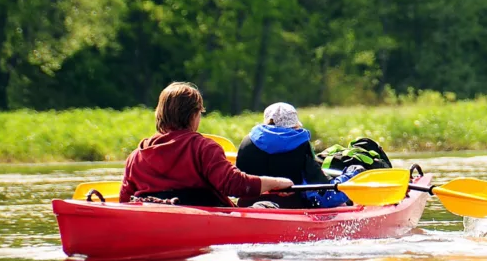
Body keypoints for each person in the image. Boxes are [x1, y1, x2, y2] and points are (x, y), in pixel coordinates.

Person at [119, 82, 293, 206]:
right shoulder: (204, 148)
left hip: (154, 217)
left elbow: (124, 201)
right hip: (201, 221)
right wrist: (277, 182)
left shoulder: (136, 156)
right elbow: (234, 184)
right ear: (193, 115)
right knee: (266, 206)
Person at [235, 102, 358, 209]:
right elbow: (323, 193)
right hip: (290, 208)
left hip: (246, 206)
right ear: (294, 123)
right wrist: (352, 175)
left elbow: (235, 183)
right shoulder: (300, 144)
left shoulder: (246, 142)